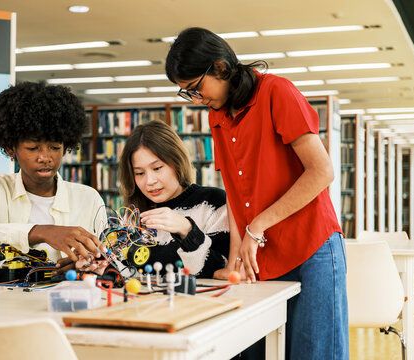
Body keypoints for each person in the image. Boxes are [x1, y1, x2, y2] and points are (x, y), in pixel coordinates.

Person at [165, 27, 348, 360]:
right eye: (186, 93)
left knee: (314, 354)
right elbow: (236, 198)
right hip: (261, 254)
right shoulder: (217, 117)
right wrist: (235, 258)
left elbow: (322, 172)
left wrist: (258, 225)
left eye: (195, 88)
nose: (195, 99)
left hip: (312, 248)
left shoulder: (277, 92)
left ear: (220, 68)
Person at [0, 81, 107, 269]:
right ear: (10, 148)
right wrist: (42, 232)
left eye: (54, 147)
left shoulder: (88, 198)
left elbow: (107, 256)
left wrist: (88, 263)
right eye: (32, 148)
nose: (45, 157)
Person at [117, 120, 229, 278]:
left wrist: (188, 231)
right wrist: (103, 267)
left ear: (177, 161)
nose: (149, 181)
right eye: (139, 173)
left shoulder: (212, 202)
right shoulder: (134, 214)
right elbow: (127, 272)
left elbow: (223, 269)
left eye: (157, 168)